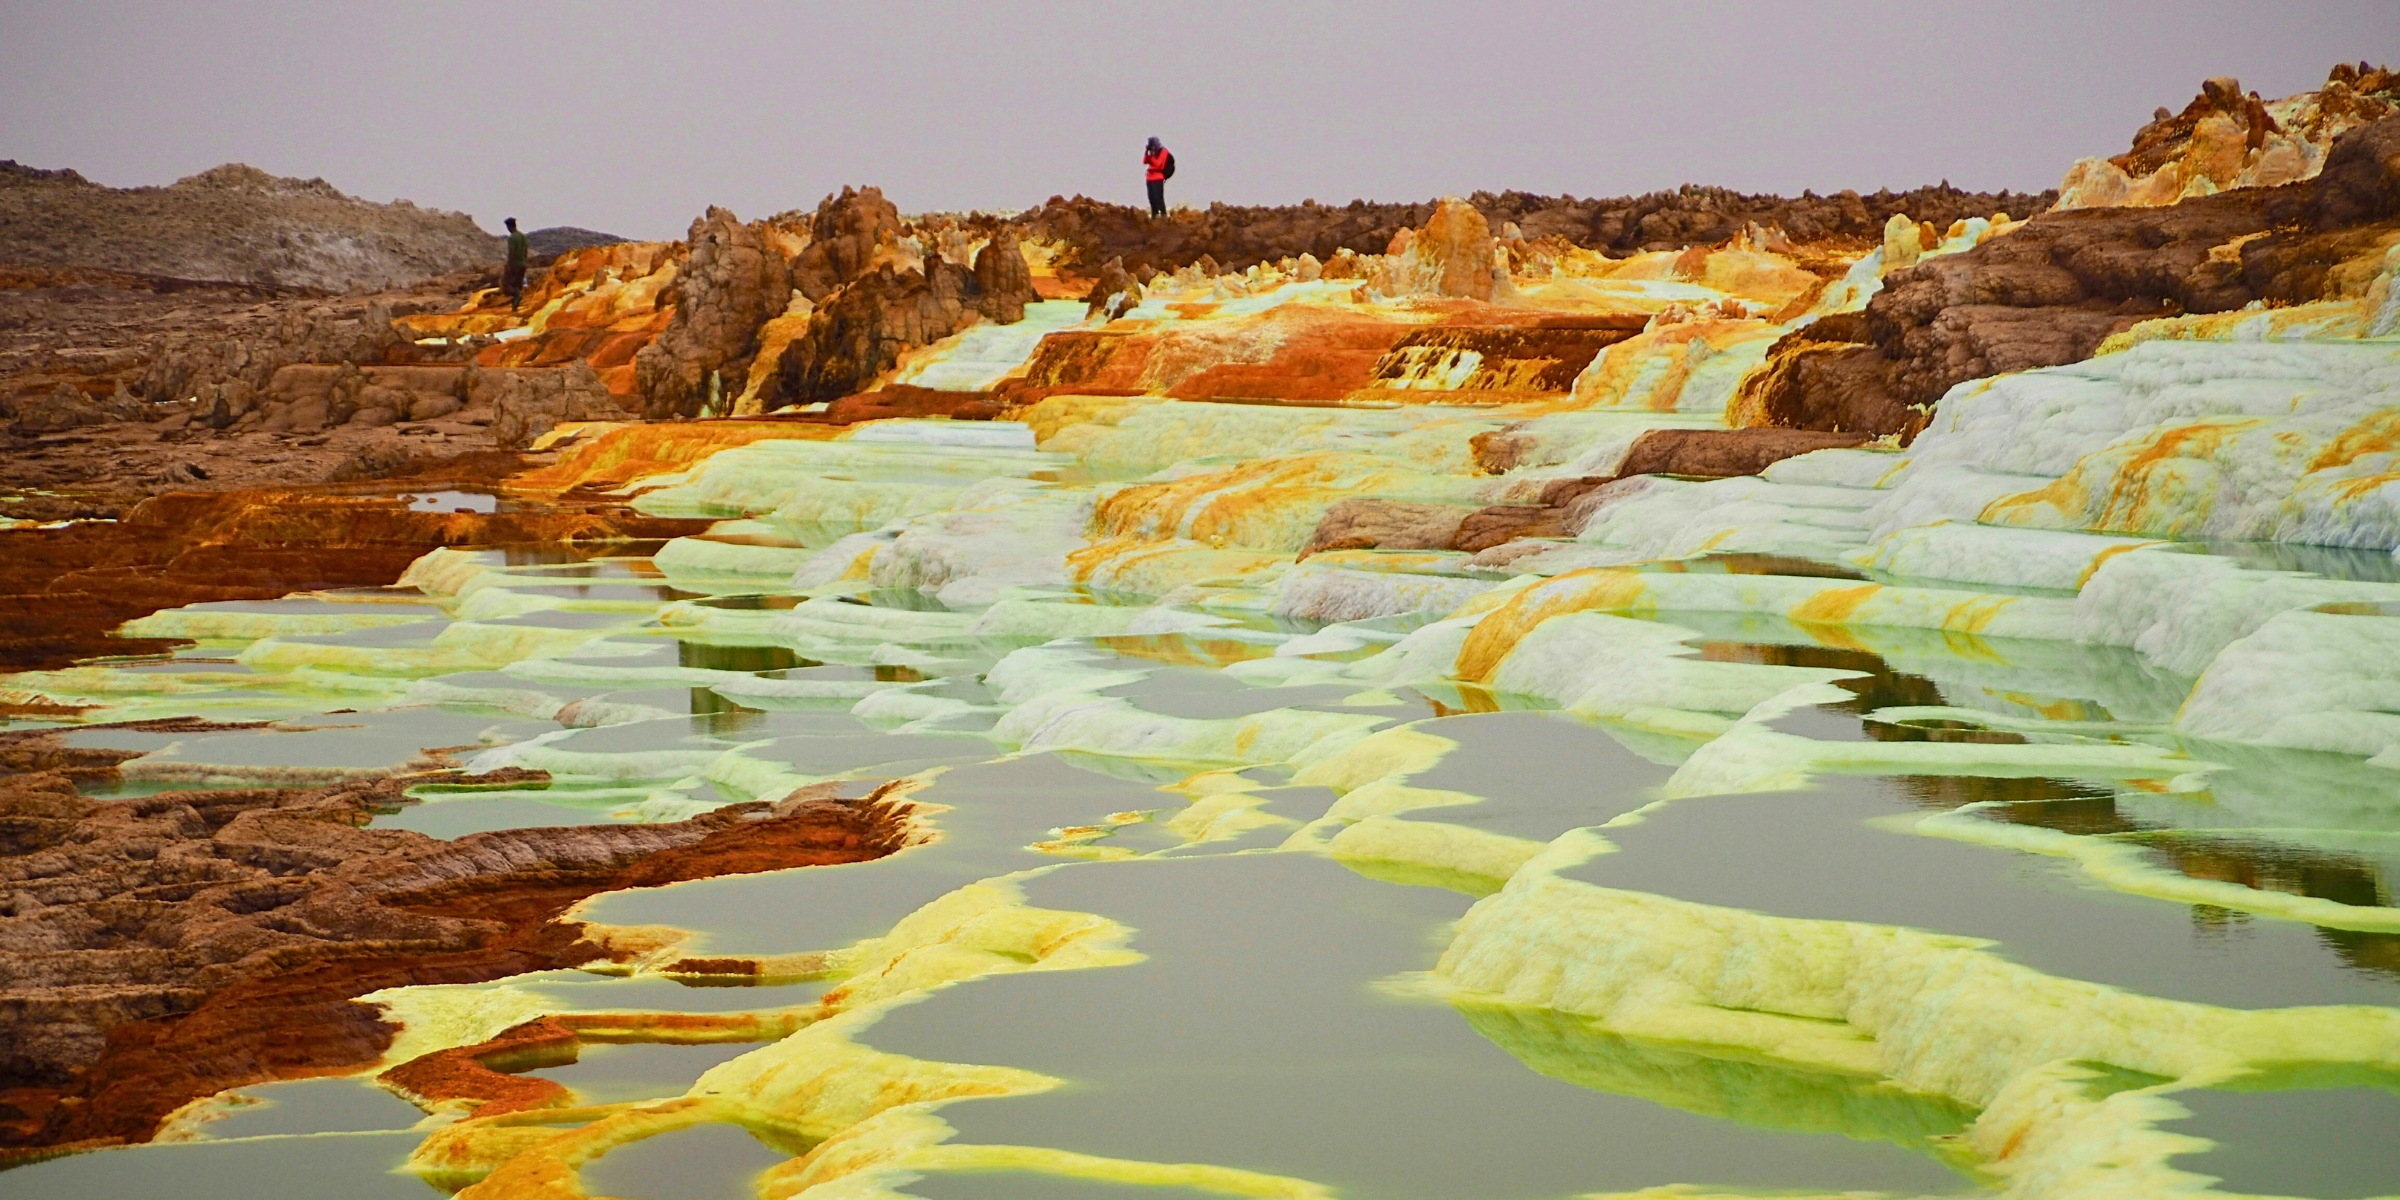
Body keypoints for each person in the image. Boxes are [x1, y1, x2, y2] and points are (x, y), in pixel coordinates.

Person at [501, 216, 530, 311]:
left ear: (509, 226)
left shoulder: (512, 238)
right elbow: (525, 251)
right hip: (523, 264)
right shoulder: (523, 237)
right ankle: (514, 308)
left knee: (506, 284)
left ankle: (517, 296)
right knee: (517, 284)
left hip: (514, 264)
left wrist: (509, 265)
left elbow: (512, 252)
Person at [1143, 137, 1172, 218]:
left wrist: (1152, 156)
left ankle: (1163, 215)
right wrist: (1147, 152)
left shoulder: (1163, 151)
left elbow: (1158, 164)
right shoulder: (1153, 153)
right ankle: (1154, 215)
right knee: (1151, 198)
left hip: (1158, 178)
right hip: (1149, 178)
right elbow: (1145, 161)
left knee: (1158, 197)